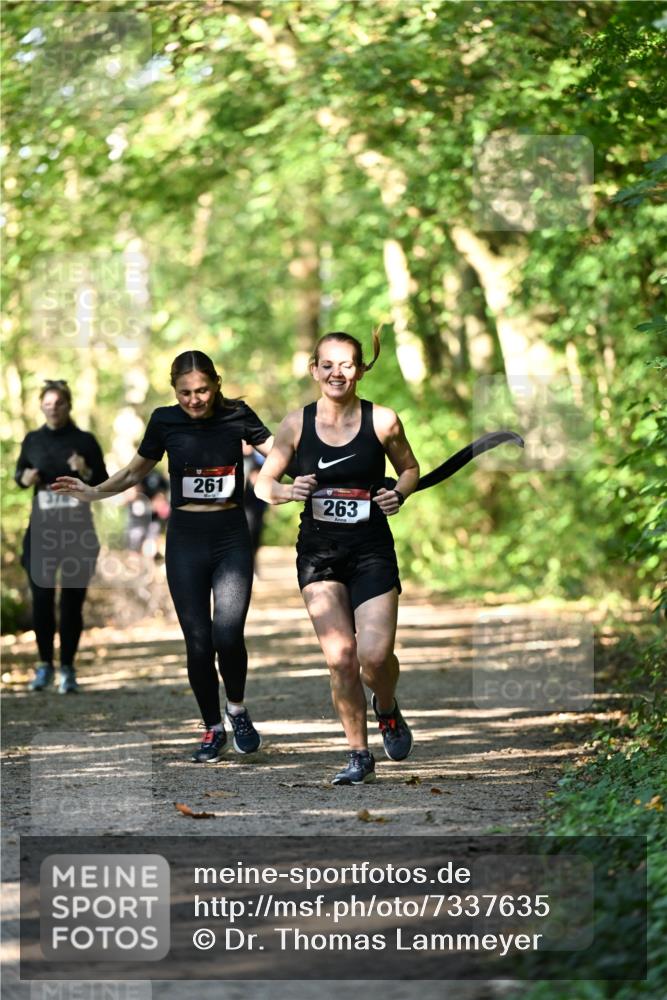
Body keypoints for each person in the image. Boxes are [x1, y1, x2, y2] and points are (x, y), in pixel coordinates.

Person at [54, 352, 273, 762]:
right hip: (186, 541)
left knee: (228, 635)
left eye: (202, 390)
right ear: (174, 390)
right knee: (198, 641)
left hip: (230, 537)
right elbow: (134, 472)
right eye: (185, 392)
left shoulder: (238, 415)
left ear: (217, 384)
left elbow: (280, 453)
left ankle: (237, 709)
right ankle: (212, 728)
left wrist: (313, 478)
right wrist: (93, 492)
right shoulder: (164, 420)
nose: (194, 400)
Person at [256, 330, 419, 785]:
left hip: (371, 549)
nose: (337, 373)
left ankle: (386, 706)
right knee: (342, 657)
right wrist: (289, 491)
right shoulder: (296, 424)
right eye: (327, 365)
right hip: (319, 554)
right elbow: (263, 484)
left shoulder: (382, 420)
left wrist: (398, 493)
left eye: (346, 364)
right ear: (314, 370)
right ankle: (358, 754)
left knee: (374, 656)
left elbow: (409, 469)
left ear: (361, 370)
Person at [15, 379, 108, 693]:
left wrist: (86, 470)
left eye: (59, 404)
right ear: (41, 407)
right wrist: (26, 477)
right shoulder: (32, 440)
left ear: (69, 406)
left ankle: (67, 668)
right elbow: (19, 475)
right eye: (47, 404)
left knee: (71, 603)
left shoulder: (85, 441)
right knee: (41, 600)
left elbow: (103, 484)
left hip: (77, 534)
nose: (53, 409)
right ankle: (44, 666)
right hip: (41, 533)